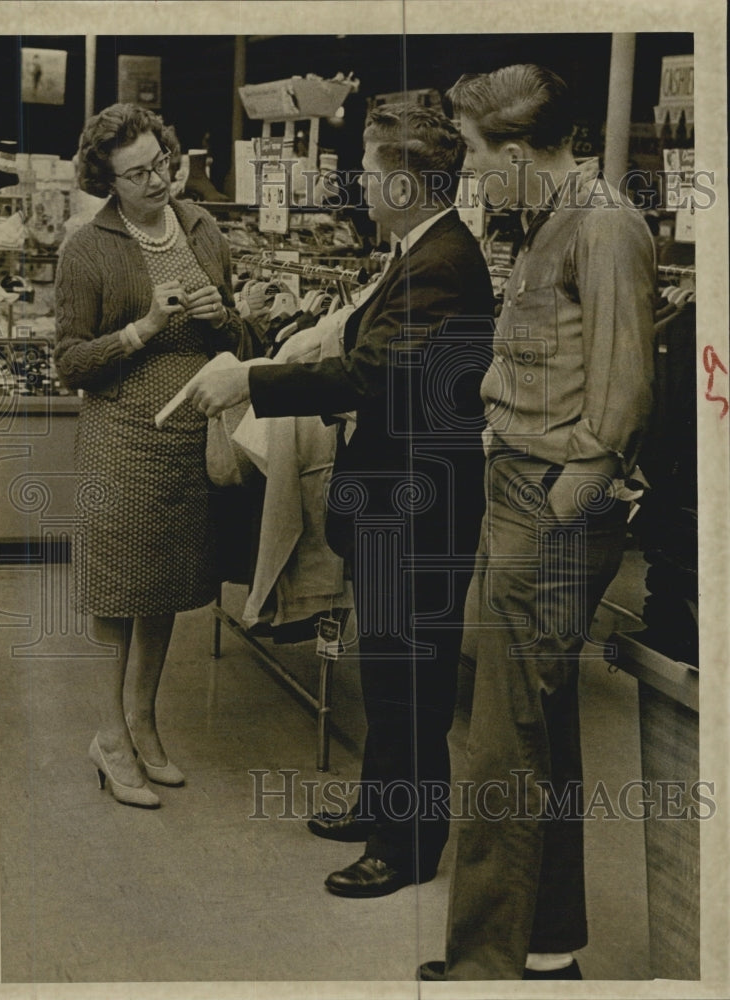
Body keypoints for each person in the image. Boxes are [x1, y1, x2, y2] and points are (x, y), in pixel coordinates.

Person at [187, 103, 495, 896]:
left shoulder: (440, 261)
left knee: (410, 676)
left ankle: (410, 842)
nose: (357, 182)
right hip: (399, 498)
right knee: (388, 666)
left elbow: (379, 379)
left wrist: (249, 379)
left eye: (366, 168)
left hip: (418, 506)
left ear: (401, 178)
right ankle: (382, 804)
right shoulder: (420, 250)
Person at [419, 65, 656, 980]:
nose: (472, 176)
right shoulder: (555, 220)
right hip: (523, 486)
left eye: (477, 157)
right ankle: (548, 944)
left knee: (502, 741)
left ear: (517, 154)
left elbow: (625, 391)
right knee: (536, 730)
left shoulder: (601, 226)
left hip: (553, 502)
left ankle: (485, 966)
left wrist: (569, 492)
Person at [54, 103, 246, 809]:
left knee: (163, 586)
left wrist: (218, 318)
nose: (157, 181)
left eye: (161, 164)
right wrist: (142, 329)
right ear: (107, 180)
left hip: (186, 435)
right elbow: (69, 364)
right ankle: (108, 734)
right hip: (120, 442)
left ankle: (143, 721)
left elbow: (236, 327)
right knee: (116, 590)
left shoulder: (202, 226)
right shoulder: (87, 247)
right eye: (137, 175)